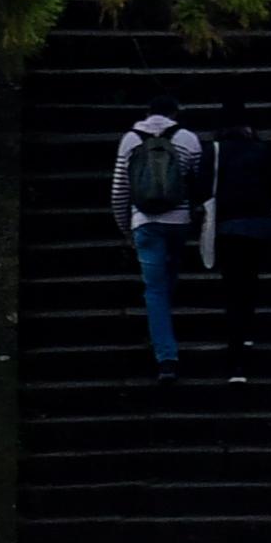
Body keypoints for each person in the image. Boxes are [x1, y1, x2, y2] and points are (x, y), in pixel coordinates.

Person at [107, 103, 211, 387]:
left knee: (154, 289)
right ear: (174, 114)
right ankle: (162, 332)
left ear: (145, 113)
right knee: (170, 276)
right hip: (179, 221)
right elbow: (201, 185)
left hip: (145, 222)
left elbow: (120, 189)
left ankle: (166, 358)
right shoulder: (188, 138)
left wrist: (125, 227)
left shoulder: (130, 139)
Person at [207, 106, 271, 377]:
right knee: (250, 281)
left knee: (232, 288)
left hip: (228, 228)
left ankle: (235, 358)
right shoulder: (262, 150)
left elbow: (203, 188)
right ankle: (247, 330)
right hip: (260, 227)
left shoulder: (215, 151)